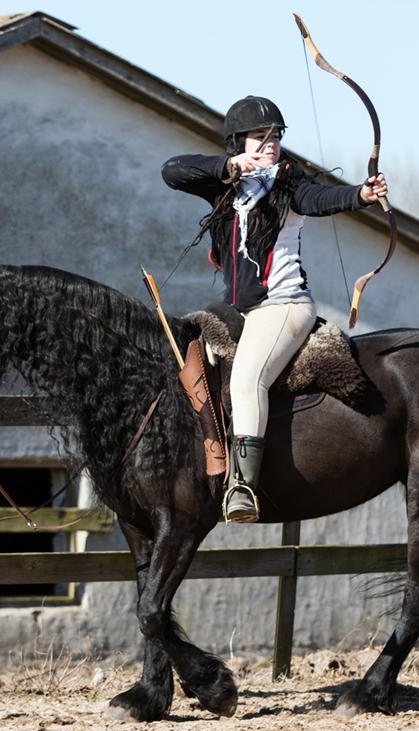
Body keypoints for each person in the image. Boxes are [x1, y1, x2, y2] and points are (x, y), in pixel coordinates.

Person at [162, 95, 388, 523]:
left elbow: (322, 198)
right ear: (238, 143)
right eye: (260, 137)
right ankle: (202, 463)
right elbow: (172, 171)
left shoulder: (289, 183)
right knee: (191, 363)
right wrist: (227, 169)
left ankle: (243, 488)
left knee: (247, 382)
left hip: (284, 307)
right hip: (241, 311)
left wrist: (360, 194)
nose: (271, 143)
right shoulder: (224, 182)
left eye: (276, 136)